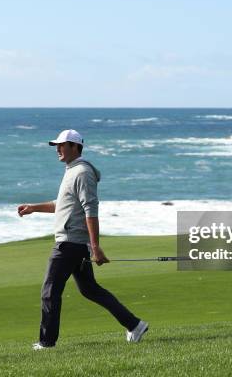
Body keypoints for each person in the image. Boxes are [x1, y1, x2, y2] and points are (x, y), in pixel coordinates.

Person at [17, 129, 148, 350]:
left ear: (76, 147)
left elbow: (91, 209)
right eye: (56, 145)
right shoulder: (71, 171)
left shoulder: (82, 172)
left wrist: (95, 247)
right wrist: (34, 208)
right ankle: (134, 325)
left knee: (50, 290)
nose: (58, 149)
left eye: (62, 145)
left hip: (70, 243)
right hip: (74, 241)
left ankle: (46, 342)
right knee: (90, 289)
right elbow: (63, 204)